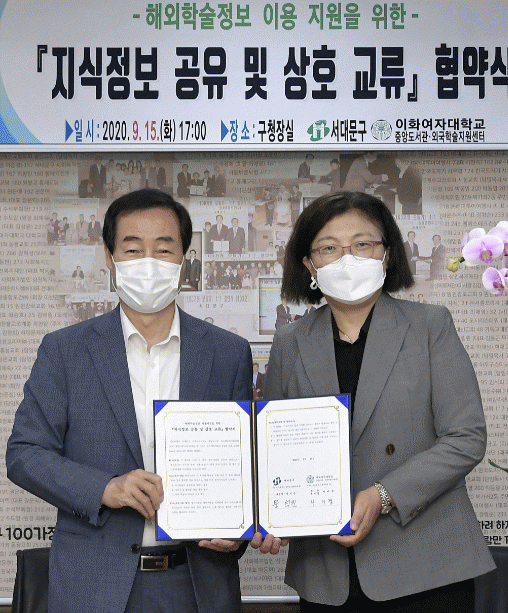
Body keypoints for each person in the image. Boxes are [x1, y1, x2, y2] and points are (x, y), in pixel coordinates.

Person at [6, 188, 256, 613]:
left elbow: (244, 463)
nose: (148, 262)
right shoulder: (66, 350)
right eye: (133, 249)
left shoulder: (227, 352)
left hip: (197, 584)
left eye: (164, 249)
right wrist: (106, 488)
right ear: (110, 257)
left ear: (183, 259)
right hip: (93, 585)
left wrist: (239, 529)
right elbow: (25, 454)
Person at [255, 191, 495, 611]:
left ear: (386, 255)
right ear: (310, 265)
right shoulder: (290, 342)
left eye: (362, 244)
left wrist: (384, 494)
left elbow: (466, 438)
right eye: (329, 248)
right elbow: (272, 446)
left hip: (427, 564)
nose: (347, 259)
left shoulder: (430, 326)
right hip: (327, 572)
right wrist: (272, 513)